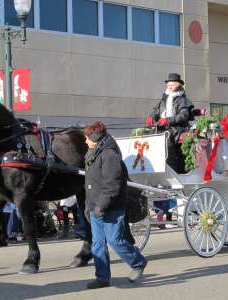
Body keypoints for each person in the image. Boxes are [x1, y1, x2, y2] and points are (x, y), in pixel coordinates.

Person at [83, 121, 147, 289]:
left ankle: (138, 262)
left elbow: (112, 185)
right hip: (95, 207)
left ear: (95, 137)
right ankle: (102, 278)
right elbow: (90, 184)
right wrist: (88, 206)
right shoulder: (93, 153)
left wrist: (100, 206)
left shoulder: (109, 155)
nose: (85, 141)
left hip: (110, 207)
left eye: (87, 138)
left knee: (115, 240)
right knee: (97, 244)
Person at [145, 73, 194, 174]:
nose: (170, 87)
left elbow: (183, 116)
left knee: (166, 139)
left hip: (178, 128)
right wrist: (151, 117)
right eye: (168, 85)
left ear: (178, 86)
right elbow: (156, 111)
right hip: (163, 127)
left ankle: (171, 169)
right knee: (148, 136)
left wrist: (168, 120)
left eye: (172, 85)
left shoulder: (183, 100)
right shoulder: (163, 100)